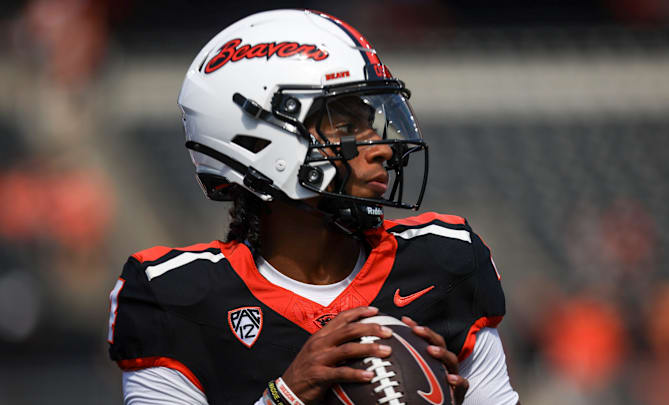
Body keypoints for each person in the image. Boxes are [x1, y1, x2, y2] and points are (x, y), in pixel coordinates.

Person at [106, 9, 519, 405]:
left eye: (371, 124)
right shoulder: (175, 295)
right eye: (345, 127)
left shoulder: (443, 261)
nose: (379, 149)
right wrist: (285, 397)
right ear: (260, 143)